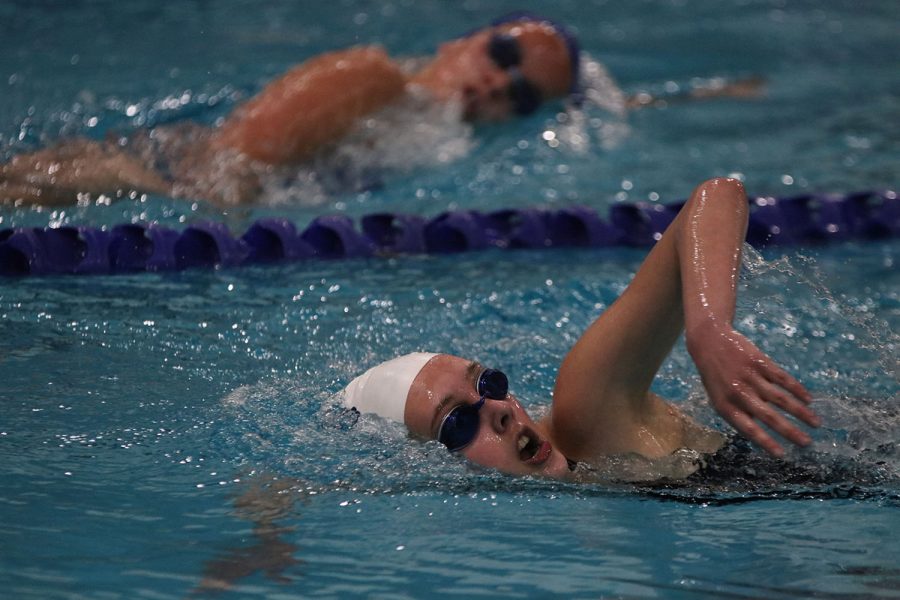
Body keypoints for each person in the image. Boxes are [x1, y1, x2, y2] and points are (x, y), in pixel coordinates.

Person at [1, 14, 762, 208]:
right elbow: (223, 167)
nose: (502, 86)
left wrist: (695, 98)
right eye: (501, 55)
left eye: (524, 95)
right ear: (468, 38)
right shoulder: (367, 80)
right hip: (133, 175)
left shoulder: (438, 127)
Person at [341, 177, 823, 482]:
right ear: (422, 466)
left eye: (489, 383)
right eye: (458, 423)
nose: (502, 411)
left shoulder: (585, 410)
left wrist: (709, 327)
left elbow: (717, 195)